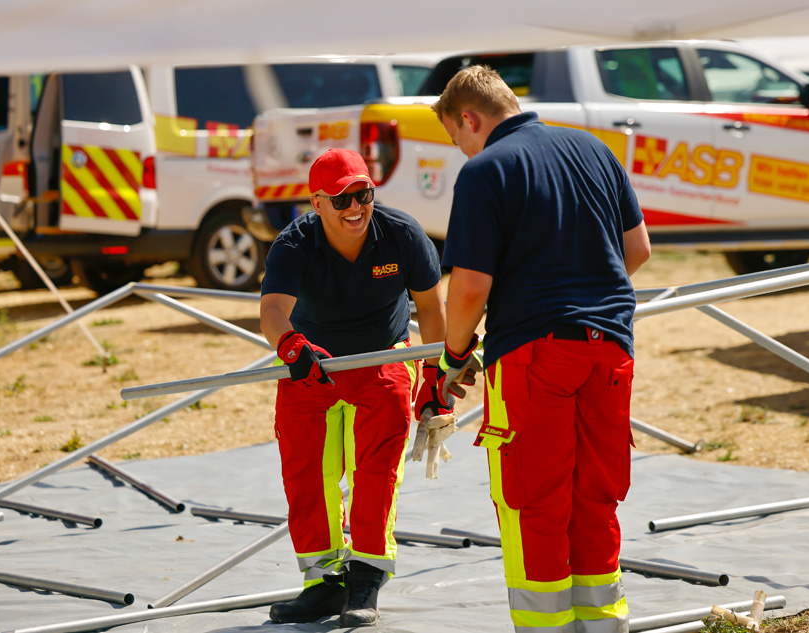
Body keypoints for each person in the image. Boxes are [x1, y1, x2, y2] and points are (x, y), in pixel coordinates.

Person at [431, 66, 652, 633]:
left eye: (459, 140)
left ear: (469, 119)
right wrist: (585, 292)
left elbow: (470, 289)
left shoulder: (485, 171)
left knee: (534, 503)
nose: (463, 151)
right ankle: (604, 624)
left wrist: (454, 356)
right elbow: (638, 249)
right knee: (594, 499)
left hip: (534, 357)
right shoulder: (593, 148)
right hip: (609, 349)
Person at [259, 148, 451, 627]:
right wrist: (291, 346)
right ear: (317, 202)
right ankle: (323, 584)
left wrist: (435, 377)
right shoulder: (293, 243)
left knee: (375, 473)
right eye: (342, 199)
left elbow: (430, 308)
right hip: (311, 367)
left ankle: (364, 581)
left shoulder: (403, 234)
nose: (355, 208)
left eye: (363, 194)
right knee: (307, 477)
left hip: (383, 359)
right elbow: (272, 311)